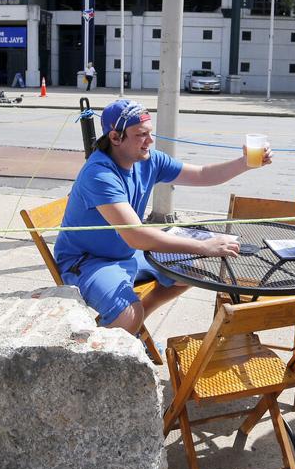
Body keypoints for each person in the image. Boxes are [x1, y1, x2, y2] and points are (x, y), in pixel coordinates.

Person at [53, 99, 273, 335]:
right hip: (88, 261)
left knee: (194, 270)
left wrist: (245, 163)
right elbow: (136, 236)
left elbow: (201, 175)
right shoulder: (100, 174)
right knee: (127, 313)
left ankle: (136, 326)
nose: (150, 141)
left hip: (125, 253)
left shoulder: (148, 160)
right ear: (116, 138)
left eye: (150, 133)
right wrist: (203, 246)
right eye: (141, 135)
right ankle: (98, 354)